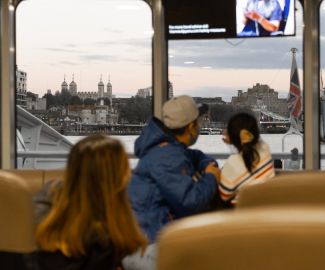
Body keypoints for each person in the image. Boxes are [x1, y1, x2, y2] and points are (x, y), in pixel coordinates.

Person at [34, 135, 147, 270]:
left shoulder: (48, 205)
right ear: (114, 177)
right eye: (125, 167)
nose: (128, 173)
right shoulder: (105, 242)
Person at [127, 95, 220, 243]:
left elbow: (195, 156)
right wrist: (211, 177)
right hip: (150, 243)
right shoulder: (167, 158)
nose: (200, 127)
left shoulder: (167, 150)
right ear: (191, 127)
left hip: (150, 232)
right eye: (198, 122)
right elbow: (190, 202)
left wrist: (207, 165)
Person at [219, 112, 275, 206]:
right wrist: (233, 137)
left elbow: (224, 195)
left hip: (242, 216)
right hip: (267, 210)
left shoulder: (233, 163)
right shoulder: (265, 148)